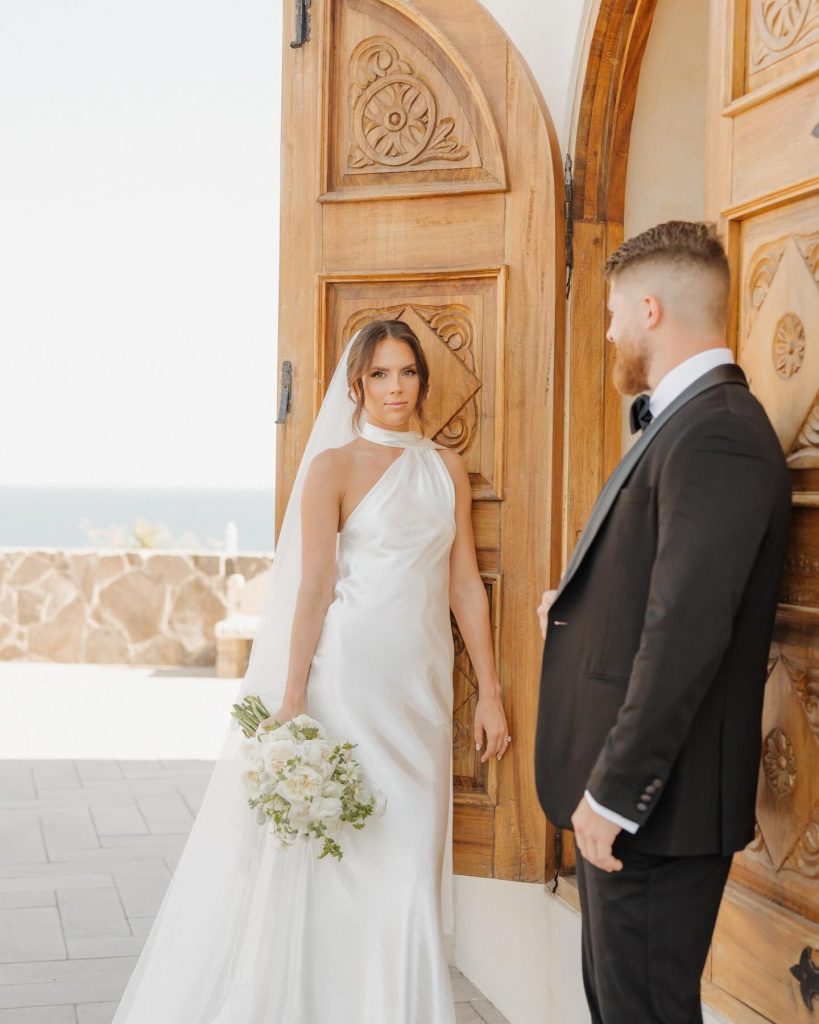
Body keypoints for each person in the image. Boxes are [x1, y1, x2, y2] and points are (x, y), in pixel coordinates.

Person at [111, 319, 510, 1024]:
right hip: (346, 682)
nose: (395, 388)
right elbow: (314, 587)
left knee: (411, 868)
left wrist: (492, 696)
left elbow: (464, 588)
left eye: (407, 373)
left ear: (422, 380)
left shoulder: (444, 466)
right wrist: (293, 697)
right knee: (342, 856)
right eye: (380, 374)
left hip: (419, 687)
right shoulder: (331, 467)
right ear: (356, 384)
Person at [534, 221, 791, 1024]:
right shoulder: (685, 423)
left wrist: (614, 795)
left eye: (612, 313)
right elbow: (661, 585)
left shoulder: (716, 432)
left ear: (648, 310)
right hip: (641, 808)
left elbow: (687, 627)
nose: (608, 331)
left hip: (654, 809)